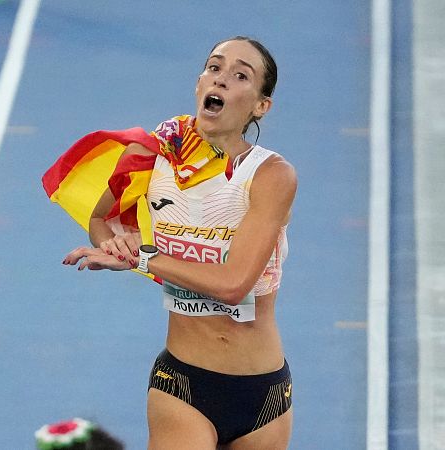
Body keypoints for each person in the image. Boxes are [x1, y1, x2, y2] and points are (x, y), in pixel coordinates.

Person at [44, 36, 295, 449]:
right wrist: (115, 247)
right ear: (199, 85)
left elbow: (234, 285)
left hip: (264, 395)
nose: (222, 79)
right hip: (183, 384)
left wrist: (142, 257)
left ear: (260, 105)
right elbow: (101, 217)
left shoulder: (271, 176)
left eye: (240, 75)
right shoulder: (153, 155)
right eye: (214, 68)